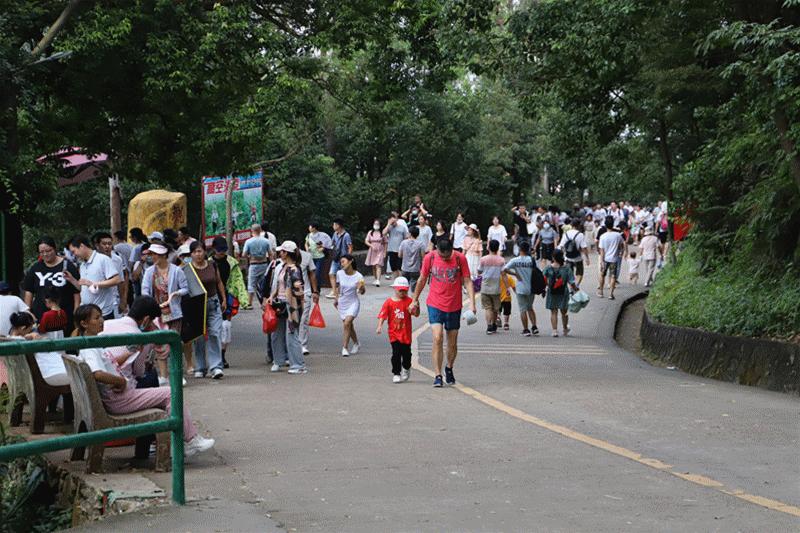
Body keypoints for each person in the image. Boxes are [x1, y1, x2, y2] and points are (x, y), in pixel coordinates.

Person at [73, 303, 215, 457]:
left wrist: (129, 352)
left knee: (165, 392)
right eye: (96, 318)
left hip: (118, 395)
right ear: (84, 323)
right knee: (171, 393)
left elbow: (110, 364)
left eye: (101, 316)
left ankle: (182, 441)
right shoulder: (90, 347)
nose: (102, 321)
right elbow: (98, 373)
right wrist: (120, 382)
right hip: (118, 398)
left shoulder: (93, 342)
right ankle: (190, 440)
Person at [409, 238, 476, 387]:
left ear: (452, 249)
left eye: (447, 256)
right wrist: (414, 299)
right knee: (437, 338)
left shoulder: (460, 258)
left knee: (452, 342)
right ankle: (438, 375)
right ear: (437, 249)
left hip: (454, 305)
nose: (444, 258)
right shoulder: (430, 257)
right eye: (442, 255)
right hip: (435, 304)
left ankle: (449, 367)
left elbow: (467, 281)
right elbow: (422, 279)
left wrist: (472, 303)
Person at [140, 243, 189, 384]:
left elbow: (185, 288)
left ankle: (177, 374)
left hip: (173, 312)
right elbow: (145, 290)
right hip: (157, 313)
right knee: (160, 344)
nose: (152, 257)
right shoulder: (150, 271)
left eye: (154, 254)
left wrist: (175, 294)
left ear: (162, 255)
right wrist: (150, 303)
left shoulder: (176, 271)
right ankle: (163, 375)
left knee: (174, 343)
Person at [23, 236, 80, 335]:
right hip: (40, 317)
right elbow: (29, 291)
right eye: (42, 252)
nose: (45, 254)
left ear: (55, 249)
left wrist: (76, 311)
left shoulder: (68, 266)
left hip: (64, 317)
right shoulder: (35, 268)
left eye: (48, 251)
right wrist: (28, 312)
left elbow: (76, 292)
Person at [266, 241, 308, 374]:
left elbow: (298, 289)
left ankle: (298, 365)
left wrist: (296, 304)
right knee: (276, 334)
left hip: (292, 307)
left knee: (291, 335)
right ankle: (278, 361)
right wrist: (272, 296)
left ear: (286, 253)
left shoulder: (294, 269)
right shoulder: (283, 266)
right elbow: (279, 285)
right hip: (280, 304)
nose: (280, 253)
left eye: (282, 251)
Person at [188, 240, 227, 379]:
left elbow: (219, 282)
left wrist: (223, 298)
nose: (198, 254)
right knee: (198, 337)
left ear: (205, 251)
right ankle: (200, 367)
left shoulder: (212, 265)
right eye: (194, 252)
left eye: (200, 251)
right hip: (196, 305)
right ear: (191, 254)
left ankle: (216, 366)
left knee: (215, 333)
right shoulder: (187, 269)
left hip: (213, 302)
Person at [65, 235, 121, 320]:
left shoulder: (102, 259)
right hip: (87, 314)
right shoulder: (83, 265)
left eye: (74, 251)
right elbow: (83, 288)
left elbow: (117, 280)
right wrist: (72, 279)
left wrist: (94, 284)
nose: (74, 255)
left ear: (82, 246)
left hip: (103, 313)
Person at [211, 236, 248, 367]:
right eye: (219, 250)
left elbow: (239, 281)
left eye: (224, 250)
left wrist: (244, 299)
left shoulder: (232, 262)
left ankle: (222, 354)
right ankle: (215, 356)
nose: (222, 252)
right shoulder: (209, 263)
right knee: (215, 329)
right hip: (212, 297)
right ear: (213, 249)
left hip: (228, 295)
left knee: (226, 326)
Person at [8, 310, 69, 387]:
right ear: (23, 328)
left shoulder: (10, 339)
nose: (30, 332)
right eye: (29, 329)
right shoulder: (23, 342)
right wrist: (36, 338)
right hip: (46, 374)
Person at [376, 277, 419, 383]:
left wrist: (416, 306)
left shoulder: (409, 301)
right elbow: (383, 315)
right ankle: (396, 373)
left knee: (407, 355)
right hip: (394, 333)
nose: (403, 293)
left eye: (405, 290)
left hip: (406, 334)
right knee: (396, 353)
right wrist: (379, 326)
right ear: (395, 289)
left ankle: (406, 368)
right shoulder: (389, 302)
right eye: (400, 290)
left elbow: (416, 314)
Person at [502, 241, 539, 336]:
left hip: (520, 288)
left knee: (523, 309)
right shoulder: (531, 260)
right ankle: (534, 327)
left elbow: (504, 269)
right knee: (530, 307)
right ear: (528, 250)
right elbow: (538, 272)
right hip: (531, 288)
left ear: (519, 249)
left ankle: (526, 330)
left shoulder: (515, 260)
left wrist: (515, 274)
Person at [333, 254, 365, 357]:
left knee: (347, 323)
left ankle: (345, 347)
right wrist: (336, 298)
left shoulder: (359, 276)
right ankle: (356, 343)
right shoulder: (339, 273)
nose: (341, 264)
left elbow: (362, 291)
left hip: (353, 302)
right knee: (349, 325)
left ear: (350, 261)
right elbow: (337, 286)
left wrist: (361, 288)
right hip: (343, 302)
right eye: (340, 262)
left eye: (343, 261)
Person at [544, 250, 579, 337]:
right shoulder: (567, 268)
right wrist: (576, 290)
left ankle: (555, 331)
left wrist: (547, 286)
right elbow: (571, 281)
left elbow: (543, 278)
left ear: (553, 257)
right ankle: (565, 329)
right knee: (564, 311)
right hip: (563, 292)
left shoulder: (548, 268)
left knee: (553, 312)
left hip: (552, 292)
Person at [93, 232, 129, 317]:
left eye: (109, 243)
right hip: (98, 300)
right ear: (97, 245)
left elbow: (121, 281)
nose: (107, 246)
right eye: (104, 244)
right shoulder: (93, 260)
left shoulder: (117, 260)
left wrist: (123, 300)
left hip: (114, 300)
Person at [478, 239, 506, 334]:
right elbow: (504, 274)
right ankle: (494, 324)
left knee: (488, 308)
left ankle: (489, 326)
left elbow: (479, 271)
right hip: (496, 288)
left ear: (488, 247)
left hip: (485, 287)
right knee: (495, 308)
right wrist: (507, 288)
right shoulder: (501, 260)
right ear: (498, 248)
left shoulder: (483, 259)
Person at [297, 243, 319, 356]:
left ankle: (302, 344)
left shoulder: (307, 256)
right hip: (289, 293)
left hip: (305, 292)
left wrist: (315, 291)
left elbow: (312, 274)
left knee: (304, 319)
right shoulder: (283, 258)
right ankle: (292, 343)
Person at [242, 223, 271, 310]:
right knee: (263, 284)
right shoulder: (266, 241)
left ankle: (250, 303)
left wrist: (249, 256)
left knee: (251, 283)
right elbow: (270, 254)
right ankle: (264, 302)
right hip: (264, 264)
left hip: (253, 264)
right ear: (260, 230)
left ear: (252, 231)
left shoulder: (249, 241)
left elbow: (244, 254)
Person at [598, 218, 625, 300]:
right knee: (613, 276)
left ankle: (601, 292)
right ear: (613, 225)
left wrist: (602, 261)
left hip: (605, 259)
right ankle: (610, 294)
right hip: (614, 259)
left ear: (605, 225)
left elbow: (601, 250)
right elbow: (622, 246)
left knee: (602, 275)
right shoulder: (618, 235)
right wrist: (620, 252)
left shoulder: (603, 236)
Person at [558, 219, 590, 286]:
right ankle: (576, 286)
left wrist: (559, 258)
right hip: (578, 258)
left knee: (570, 274)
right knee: (580, 273)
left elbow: (561, 246)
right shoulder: (580, 235)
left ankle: (572, 287)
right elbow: (584, 248)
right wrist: (587, 258)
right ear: (578, 225)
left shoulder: (566, 233)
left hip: (568, 257)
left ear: (571, 225)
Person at [327, 219, 353, 299]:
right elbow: (332, 244)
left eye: (334, 225)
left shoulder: (346, 235)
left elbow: (350, 247)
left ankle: (342, 291)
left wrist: (348, 258)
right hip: (336, 257)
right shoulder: (335, 234)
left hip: (343, 258)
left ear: (338, 225)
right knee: (331, 273)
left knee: (343, 275)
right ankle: (334, 291)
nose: (333, 226)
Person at [398, 226, 426, 293]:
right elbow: (423, 257)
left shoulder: (403, 243)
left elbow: (399, 255)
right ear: (418, 234)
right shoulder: (421, 244)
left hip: (405, 268)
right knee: (414, 291)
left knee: (404, 289)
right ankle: (414, 301)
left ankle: (405, 303)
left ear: (410, 233)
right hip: (415, 269)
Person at [305, 222, 331, 291]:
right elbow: (306, 243)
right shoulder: (308, 235)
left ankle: (317, 288)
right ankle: (313, 288)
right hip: (311, 257)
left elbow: (327, 244)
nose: (309, 228)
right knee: (312, 273)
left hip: (320, 257)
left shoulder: (322, 235)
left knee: (317, 273)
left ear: (314, 228)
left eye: (310, 227)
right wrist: (307, 249)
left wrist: (322, 248)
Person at [383, 212, 409, 280]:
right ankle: (396, 281)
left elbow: (406, 238)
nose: (393, 223)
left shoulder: (402, 228)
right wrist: (388, 224)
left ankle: (401, 280)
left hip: (400, 250)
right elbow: (383, 233)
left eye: (393, 221)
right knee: (393, 267)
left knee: (400, 267)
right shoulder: (389, 228)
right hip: (391, 250)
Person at [365, 219, 387, 286]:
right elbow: (366, 241)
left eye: (377, 224)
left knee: (378, 265)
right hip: (372, 250)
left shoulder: (382, 233)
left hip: (380, 250)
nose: (376, 225)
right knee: (373, 265)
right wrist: (371, 245)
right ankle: (375, 278)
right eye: (375, 224)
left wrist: (385, 252)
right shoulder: (370, 232)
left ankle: (378, 280)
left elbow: (385, 243)